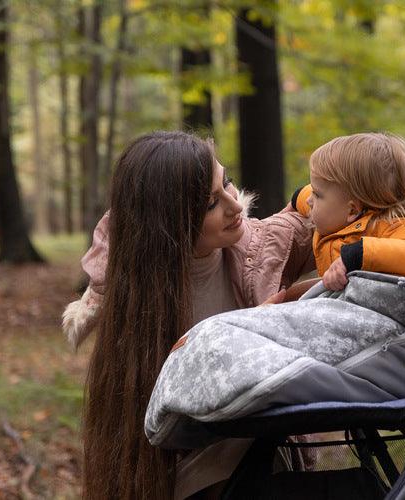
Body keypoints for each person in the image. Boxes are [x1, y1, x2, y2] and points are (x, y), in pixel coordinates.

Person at [62, 131, 315, 499]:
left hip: (264, 462)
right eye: (212, 202)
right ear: (169, 222)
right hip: (177, 475)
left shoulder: (261, 250)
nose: (235, 204)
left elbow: (342, 212)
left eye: (226, 181)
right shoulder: (138, 298)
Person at [290, 132, 405, 292]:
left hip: (393, 316)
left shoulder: (403, 225)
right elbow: (305, 195)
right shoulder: (337, 210)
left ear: (353, 210)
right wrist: (294, 200)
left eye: (316, 194)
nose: (309, 200)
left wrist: (356, 255)